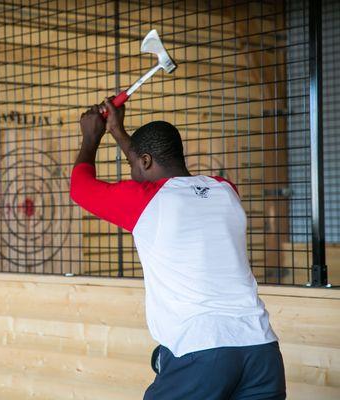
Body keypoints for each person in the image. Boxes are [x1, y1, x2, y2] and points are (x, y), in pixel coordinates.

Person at [69, 98, 286, 400]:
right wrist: (118, 131)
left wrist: (92, 136)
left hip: (201, 352)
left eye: (135, 165)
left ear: (144, 161)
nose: (133, 173)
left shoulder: (146, 200)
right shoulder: (225, 190)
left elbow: (79, 187)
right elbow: (154, 169)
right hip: (262, 350)